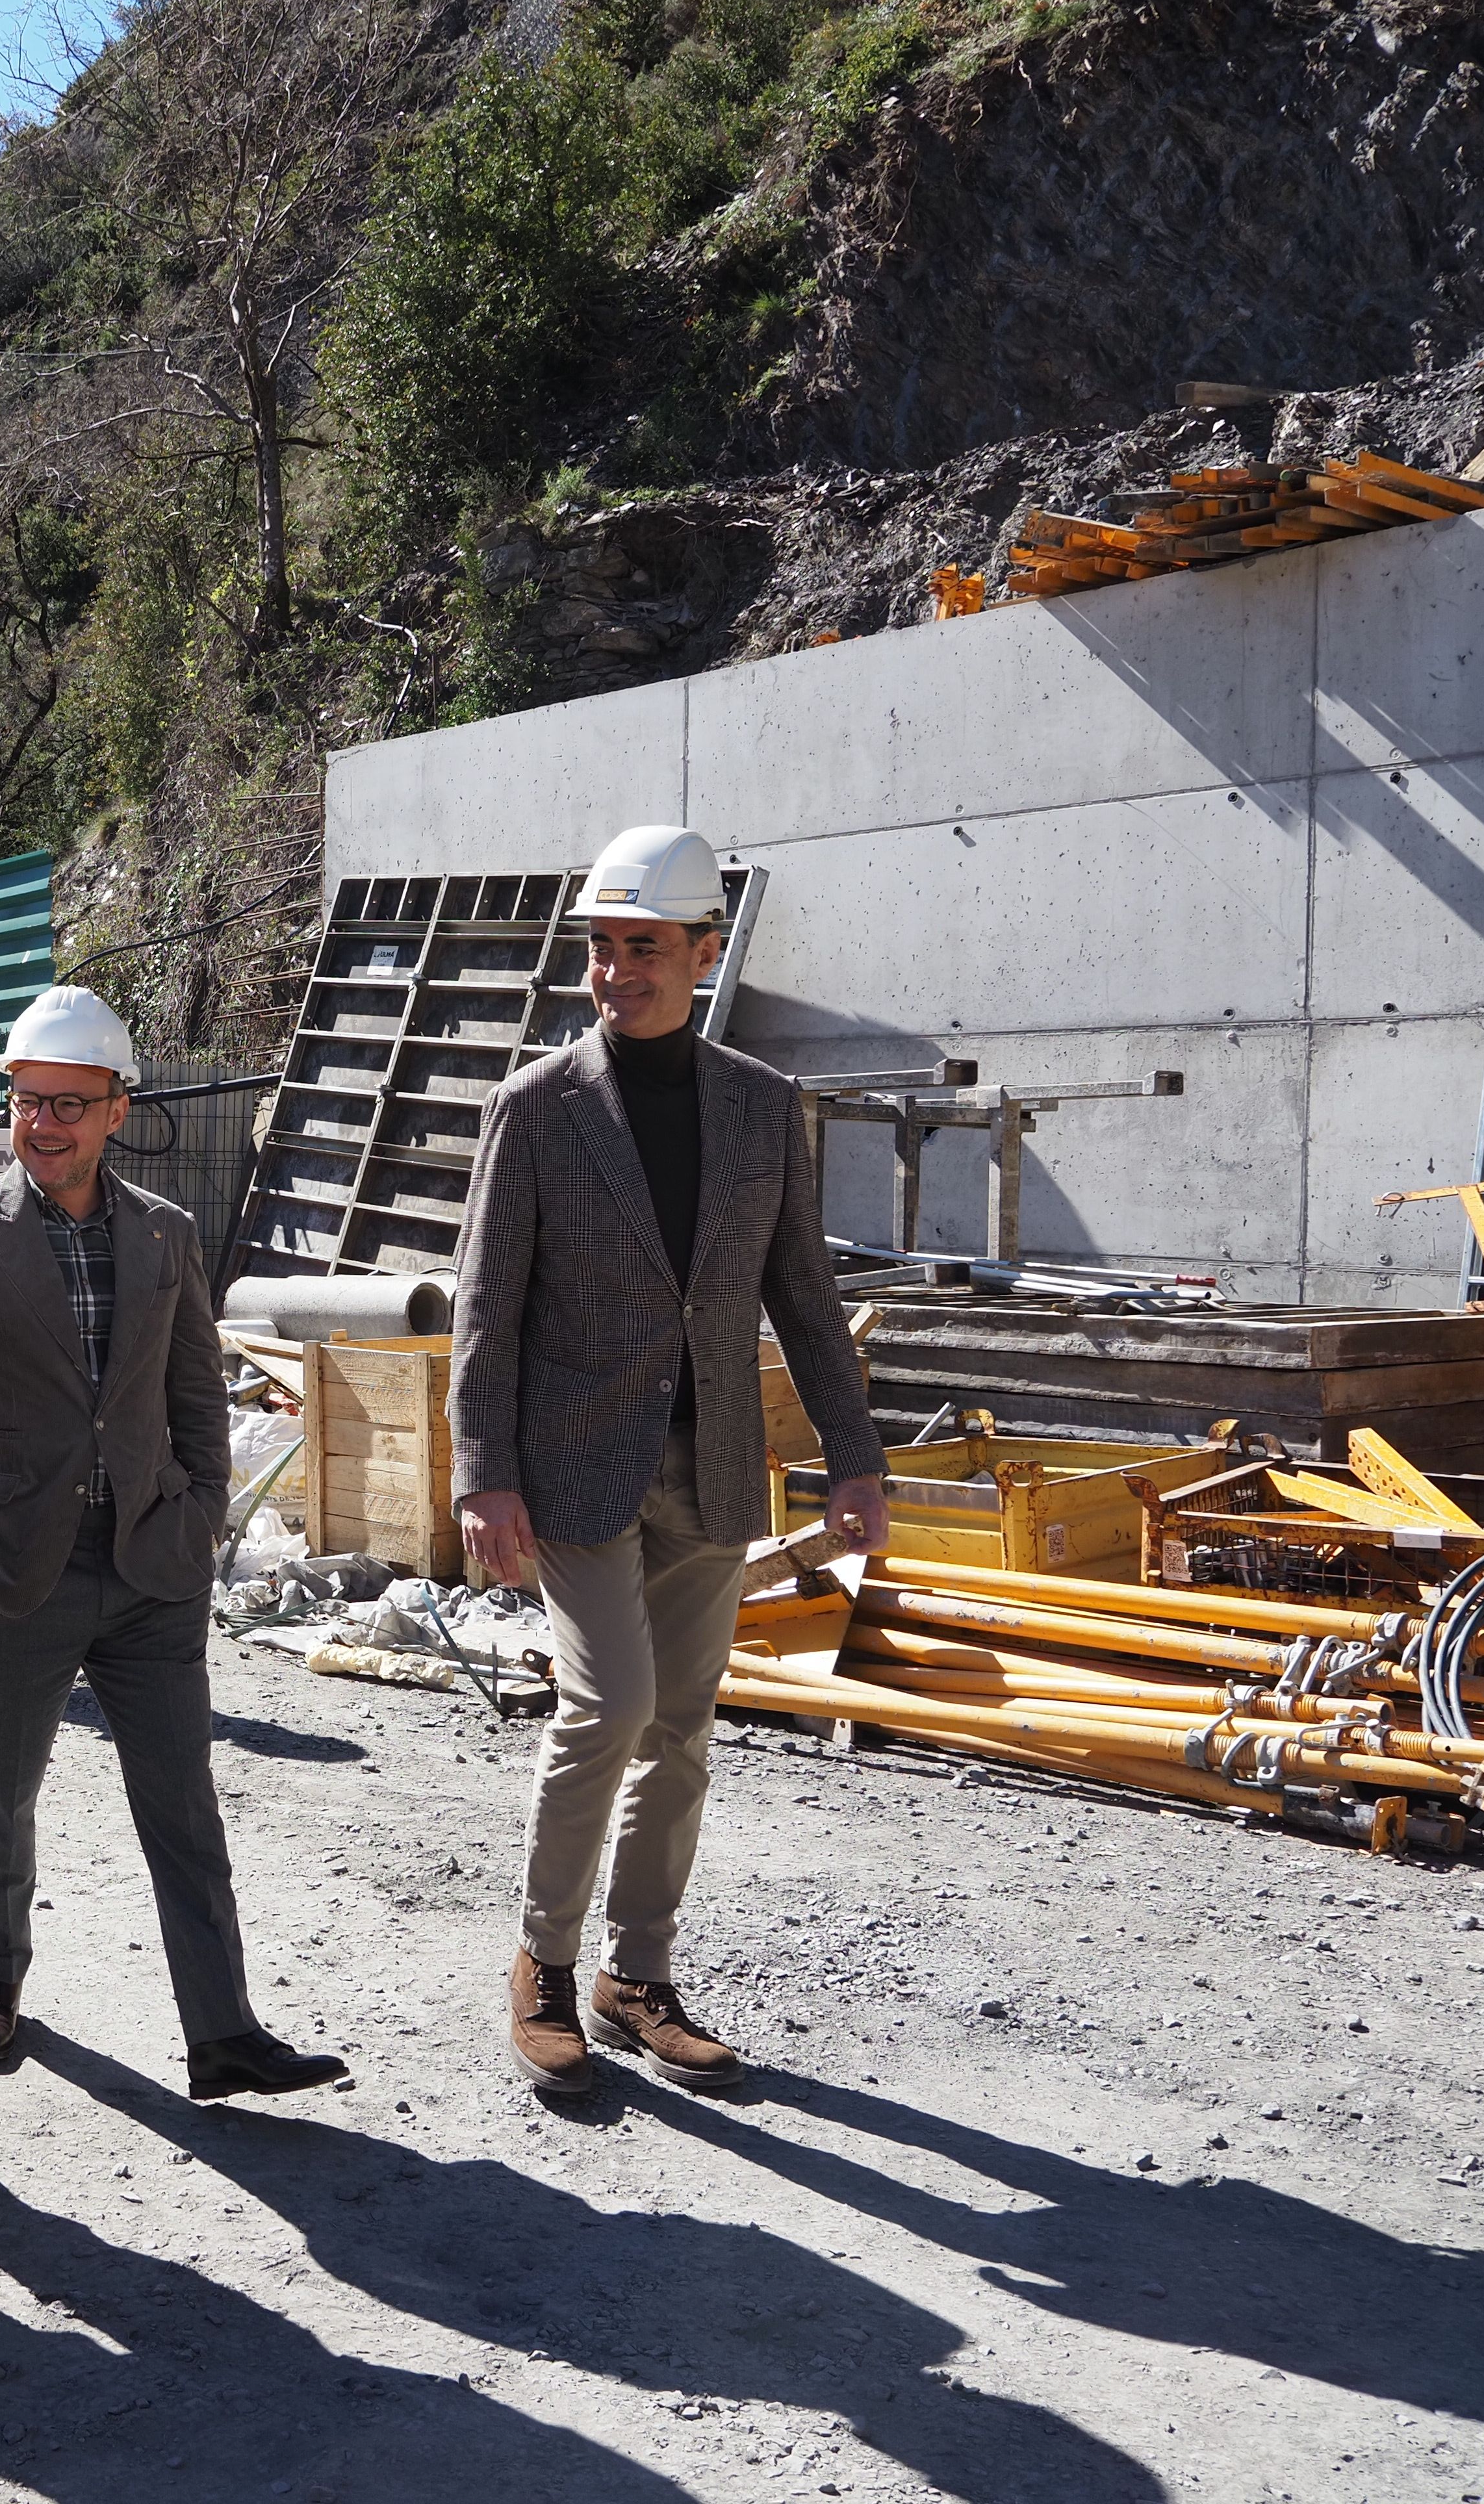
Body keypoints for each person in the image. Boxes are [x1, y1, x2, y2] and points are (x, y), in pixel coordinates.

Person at [451, 824, 889, 2099]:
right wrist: (485, 1475)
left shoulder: (760, 1106)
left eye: (644, 945)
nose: (616, 969)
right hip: (577, 1468)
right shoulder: (533, 1112)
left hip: (711, 1467)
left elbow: (804, 1296)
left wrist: (854, 1460)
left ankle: (637, 1976)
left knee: (684, 1730)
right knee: (611, 1706)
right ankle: (541, 1962)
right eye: (602, 944)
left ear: (706, 949)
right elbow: (486, 1309)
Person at [0, 986, 344, 2102]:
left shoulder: (163, 1230)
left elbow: (192, 1384)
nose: (42, 1124)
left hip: (152, 1565)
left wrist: (203, 1504)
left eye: (68, 1103)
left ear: (118, 1109)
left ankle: (222, 2031)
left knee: (182, 1806)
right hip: (13, 1568)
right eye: (25, 1102)